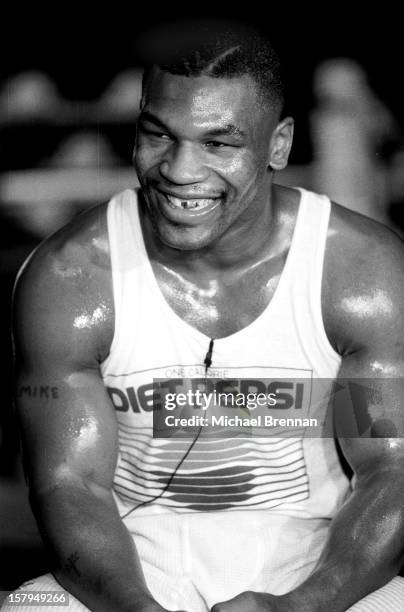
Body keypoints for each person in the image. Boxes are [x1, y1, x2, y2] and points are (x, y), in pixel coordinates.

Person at [5, 19, 404, 612]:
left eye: (218, 144)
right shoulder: (72, 277)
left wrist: (302, 605)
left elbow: (386, 471)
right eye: (158, 136)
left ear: (279, 145)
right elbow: (71, 485)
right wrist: (135, 607)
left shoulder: (357, 276)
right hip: (126, 575)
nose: (179, 170)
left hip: (320, 574)